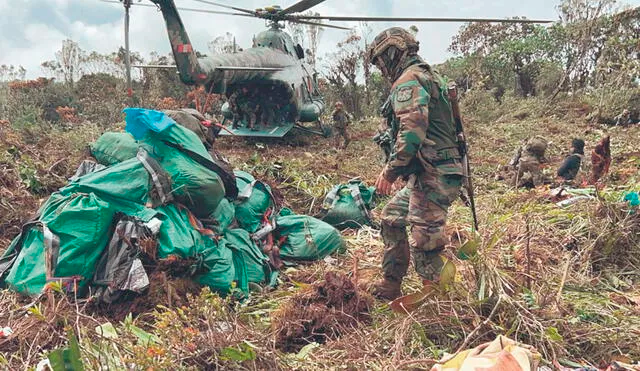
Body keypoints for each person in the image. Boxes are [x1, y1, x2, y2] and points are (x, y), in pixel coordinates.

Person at [366, 27, 464, 301]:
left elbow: (411, 132)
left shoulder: (409, 80)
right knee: (392, 218)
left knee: (425, 242)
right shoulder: (429, 76)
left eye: (381, 62)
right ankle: (391, 283)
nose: (382, 69)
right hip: (431, 172)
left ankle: (438, 304)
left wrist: (390, 170)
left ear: (391, 55)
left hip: (434, 173)